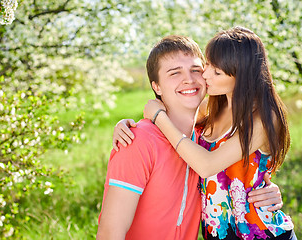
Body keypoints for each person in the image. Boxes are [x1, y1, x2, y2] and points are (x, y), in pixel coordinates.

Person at [97, 35, 283, 240]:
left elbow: (208, 164)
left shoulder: (256, 120)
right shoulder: (140, 140)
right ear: (156, 86)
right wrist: (126, 125)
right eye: (175, 73)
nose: (194, 78)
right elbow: (110, 232)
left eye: (197, 70)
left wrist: (266, 188)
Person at [142, 27, 296, 239]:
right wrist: (126, 124)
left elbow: (207, 165)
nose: (205, 75)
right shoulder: (212, 107)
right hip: (217, 233)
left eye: (216, 72)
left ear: (240, 75)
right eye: (208, 65)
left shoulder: (262, 118)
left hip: (260, 233)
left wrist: (159, 117)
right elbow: (172, 120)